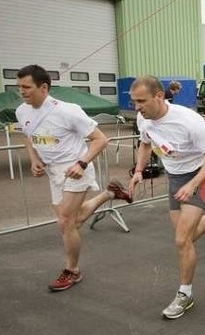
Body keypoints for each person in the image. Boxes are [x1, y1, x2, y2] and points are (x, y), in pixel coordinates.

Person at [127, 75, 205, 319]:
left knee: (182, 240)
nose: (137, 107)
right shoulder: (144, 119)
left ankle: (185, 293)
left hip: (199, 174)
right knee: (187, 236)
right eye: (133, 102)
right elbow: (144, 144)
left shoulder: (188, 120)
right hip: (175, 178)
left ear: (159, 96)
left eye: (141, 101)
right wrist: (139, 171)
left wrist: (194, 184)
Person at [15, 64, 133, 291]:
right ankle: (110, 192)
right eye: (19, 87)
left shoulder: (68, 110)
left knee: (66, 222)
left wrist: (82, 163)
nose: (22, 91)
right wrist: (34, 160)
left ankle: (72, 271)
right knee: (75, 219)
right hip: (53, 172)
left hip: (76, 169)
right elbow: (27, 136)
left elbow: (101, 140)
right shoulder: (22, 111)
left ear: (44, 87)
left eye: (26, 87)